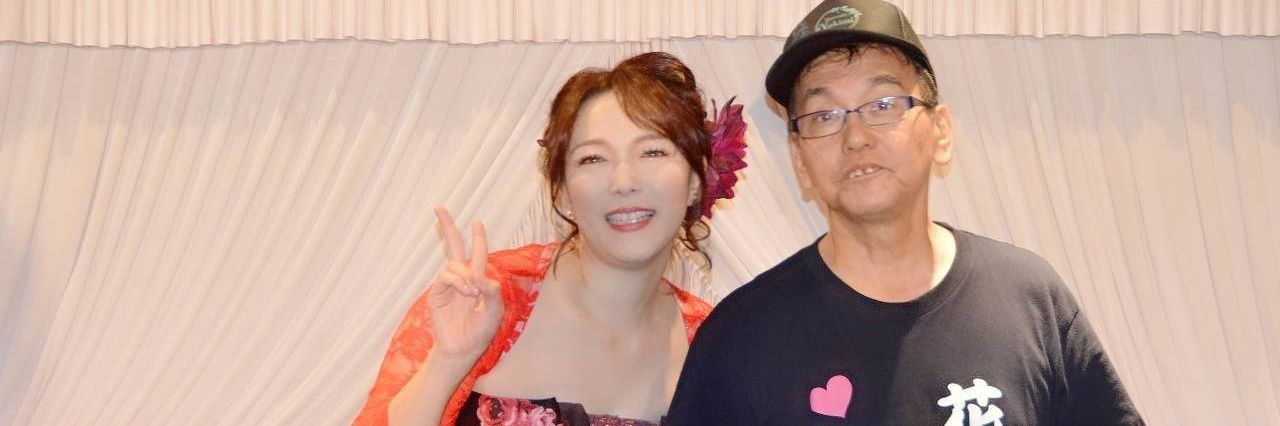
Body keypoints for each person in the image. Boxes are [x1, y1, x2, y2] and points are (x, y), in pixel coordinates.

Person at [666, 0, 1145, 424]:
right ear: (800, 161)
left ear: (941, 131)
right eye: (824, 115)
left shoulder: (1029, 299)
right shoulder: (742, 335)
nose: (856, 137)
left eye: (883, 104)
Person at [352, 52, 747, 426]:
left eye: (653, 152)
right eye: (593, 158)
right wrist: (449, 361)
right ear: (561, 192)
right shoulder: (492, 298)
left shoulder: (709, 343)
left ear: (696, 181)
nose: (624, 181)